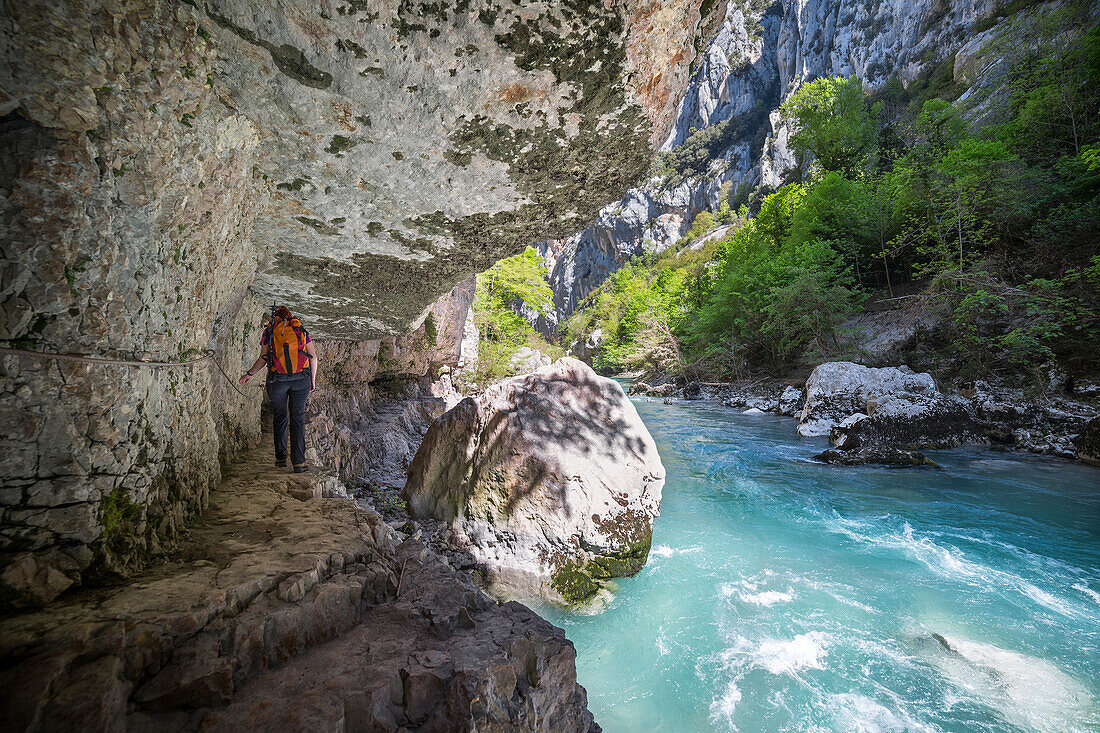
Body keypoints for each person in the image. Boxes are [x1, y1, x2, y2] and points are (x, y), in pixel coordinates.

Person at [239, 306, 318, 472]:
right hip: (301, 380)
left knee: (280, 417)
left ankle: (281, 459)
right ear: (290, 316)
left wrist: (249, 374)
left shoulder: (270, 331)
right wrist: (312, 380)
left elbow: (263, 358)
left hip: (277, 381)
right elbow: (314, 357)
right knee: (298, 418)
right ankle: (299, 462)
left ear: (274, 318)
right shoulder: (300, 329)